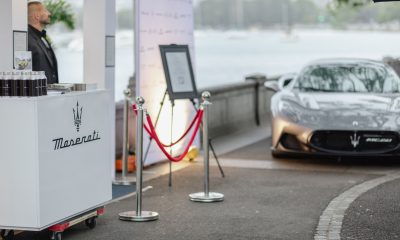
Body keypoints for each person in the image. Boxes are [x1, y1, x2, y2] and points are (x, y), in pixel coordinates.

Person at [28, 0, 58, 84]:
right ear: (37, 16)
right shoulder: (27, 39)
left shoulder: (42, 37)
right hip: (37, 94)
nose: (49, 13)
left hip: (50, 94)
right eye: (45, 10)